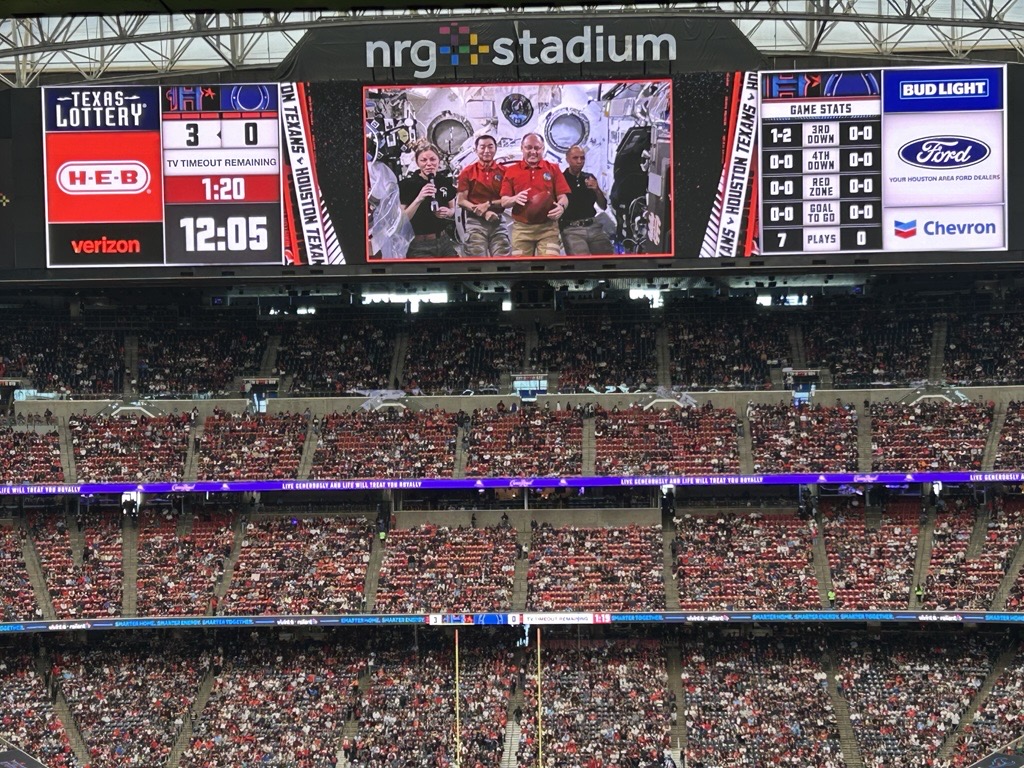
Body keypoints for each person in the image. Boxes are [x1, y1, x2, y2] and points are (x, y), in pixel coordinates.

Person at [499, 133, 569, 257]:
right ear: (522, 148)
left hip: (548, 228)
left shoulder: (553, 168)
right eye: (528, 147)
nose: (533, 152)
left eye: (537, 148)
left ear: (543, 149)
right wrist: (514, 199)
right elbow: (504, 201)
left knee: (549, 265)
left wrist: (561, 207)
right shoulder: (511, 171)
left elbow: (563, 197)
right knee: (521, 269)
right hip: (521, 230)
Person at [457, 134, 511, 256]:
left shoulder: (504, 172)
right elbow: (461, 200)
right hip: (475, 223)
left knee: (503, 264)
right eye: (482, 147)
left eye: (490, 147)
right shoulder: (467, 172)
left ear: (495, 149)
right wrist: (481, 211)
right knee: (477, 264)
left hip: (498, 222)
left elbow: (507, 199)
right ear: (476, 150)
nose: (486, 151)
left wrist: (488, 205)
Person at [399, 143, 457, 258]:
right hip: (419, 244)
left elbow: (453, 208)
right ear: (417, 162)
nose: (429, 164)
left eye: (432, 159)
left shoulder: (444, 181)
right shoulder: (407, 185)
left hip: (443, 241)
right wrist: (419, 198)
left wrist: (448, 212)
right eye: (423, 160)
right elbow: (402, 219)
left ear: (438, 161)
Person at [560, 145, 614, 255]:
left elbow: (603, 206)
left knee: (608, 259)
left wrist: (597, 190)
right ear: (567, 159)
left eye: (582, 158)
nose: (579, 161)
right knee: (581, 261)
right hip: (571, 229)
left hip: (593, 226)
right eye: (575, 158)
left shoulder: (589, 178)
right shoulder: (561, 179)